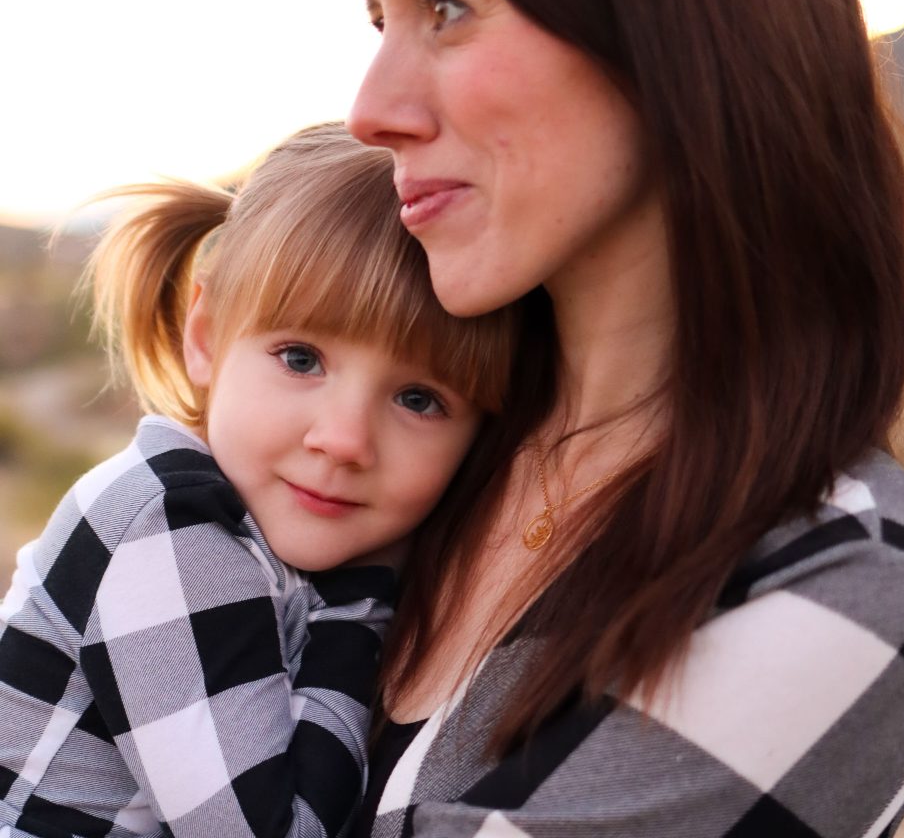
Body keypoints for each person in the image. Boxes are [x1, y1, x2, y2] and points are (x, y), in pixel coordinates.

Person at [345, 0, 904, 836]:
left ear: (670, 16)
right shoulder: (385, 441)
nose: (370, 108)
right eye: (378, 21)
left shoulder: (848, 576)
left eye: (445, 7)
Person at [0, 124, 527, 838]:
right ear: (205, 337)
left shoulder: (247, 536)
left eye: (418, 399)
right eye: (300, 359)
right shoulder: (165, 523)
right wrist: (363, 601)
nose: (343, 440)